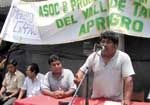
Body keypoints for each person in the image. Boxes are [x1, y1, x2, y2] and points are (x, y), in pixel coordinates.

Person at [74, 31, 135, 105]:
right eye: (103, 42)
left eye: (108, 42)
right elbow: (82, 71)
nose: (104, 45)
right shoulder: (94, 56)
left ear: (116, 45)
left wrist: (127, 100)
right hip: (96, 100)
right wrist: (78, 77)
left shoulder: (123, 57)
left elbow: (128, 79)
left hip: (115, 101)